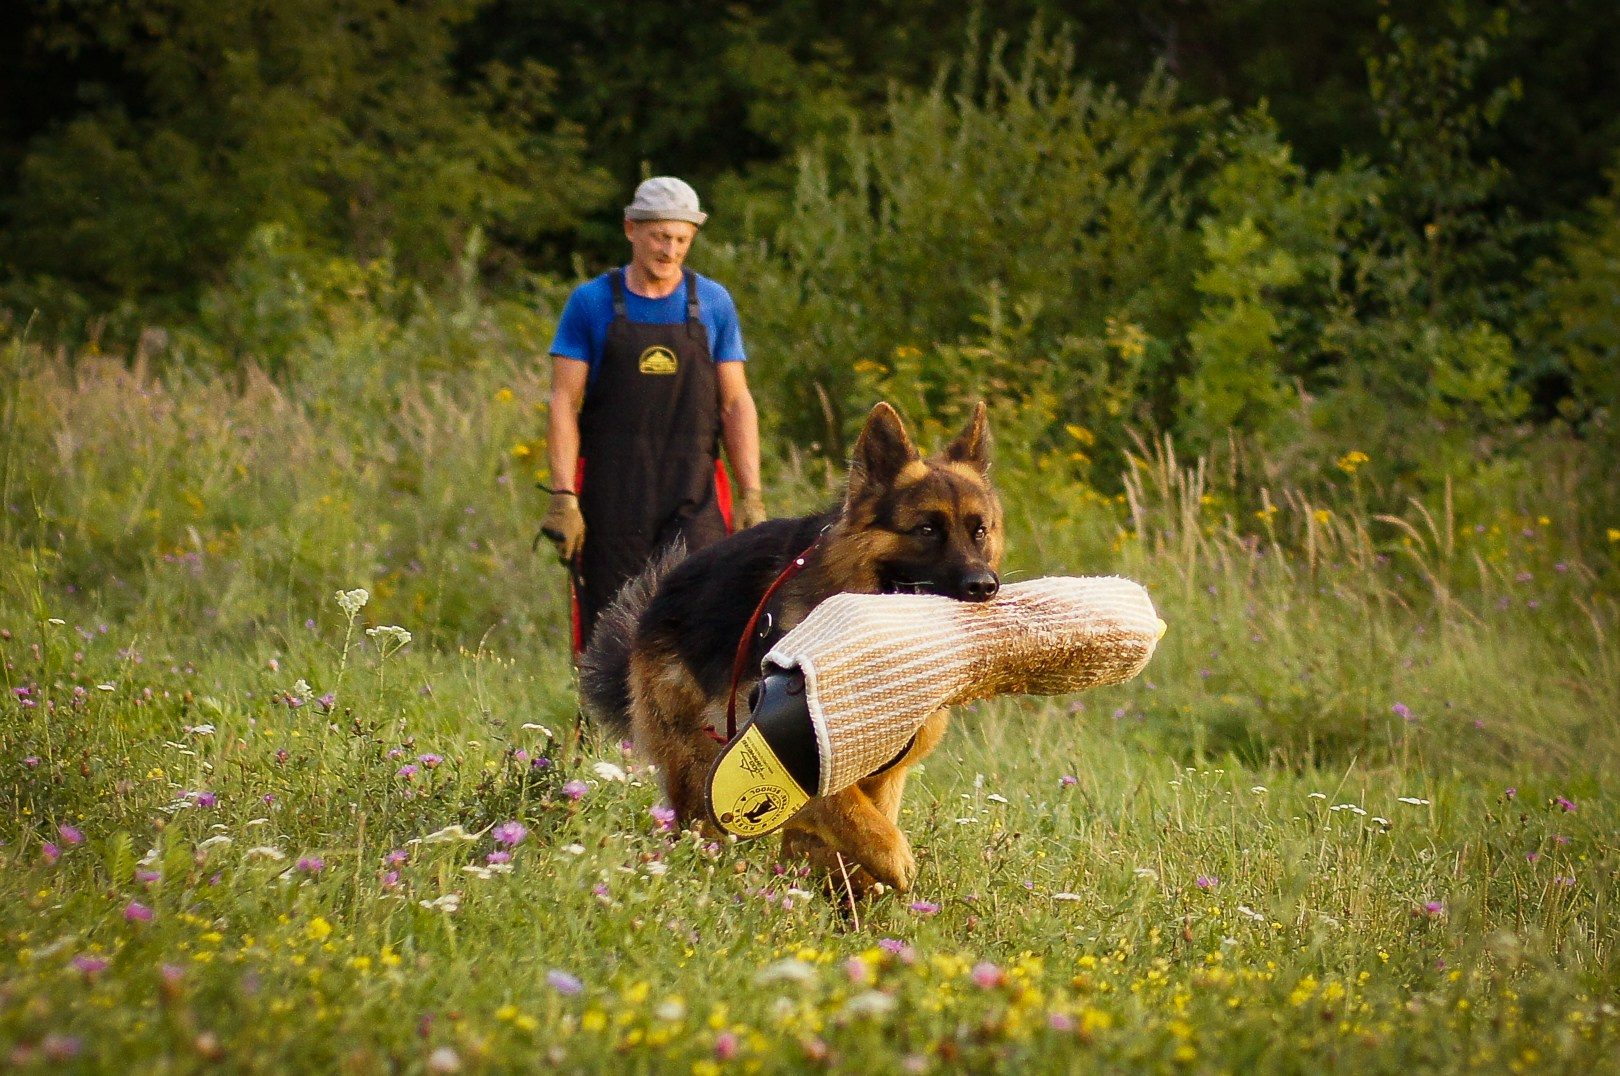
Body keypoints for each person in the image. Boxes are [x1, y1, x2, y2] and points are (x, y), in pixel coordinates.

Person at [538, 176, 766, 653]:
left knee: (702, 613)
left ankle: (690, 728)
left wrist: (752, 494)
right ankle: (603, 729)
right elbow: (563, 401)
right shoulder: (591, 303)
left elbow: (735, 401)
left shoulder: (713, 305)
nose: (670, 249)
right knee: (611, 625)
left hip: (694, 489)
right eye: (660, 236)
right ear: (631, 230)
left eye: (682, 239)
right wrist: (563, 495)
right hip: (611, 493)